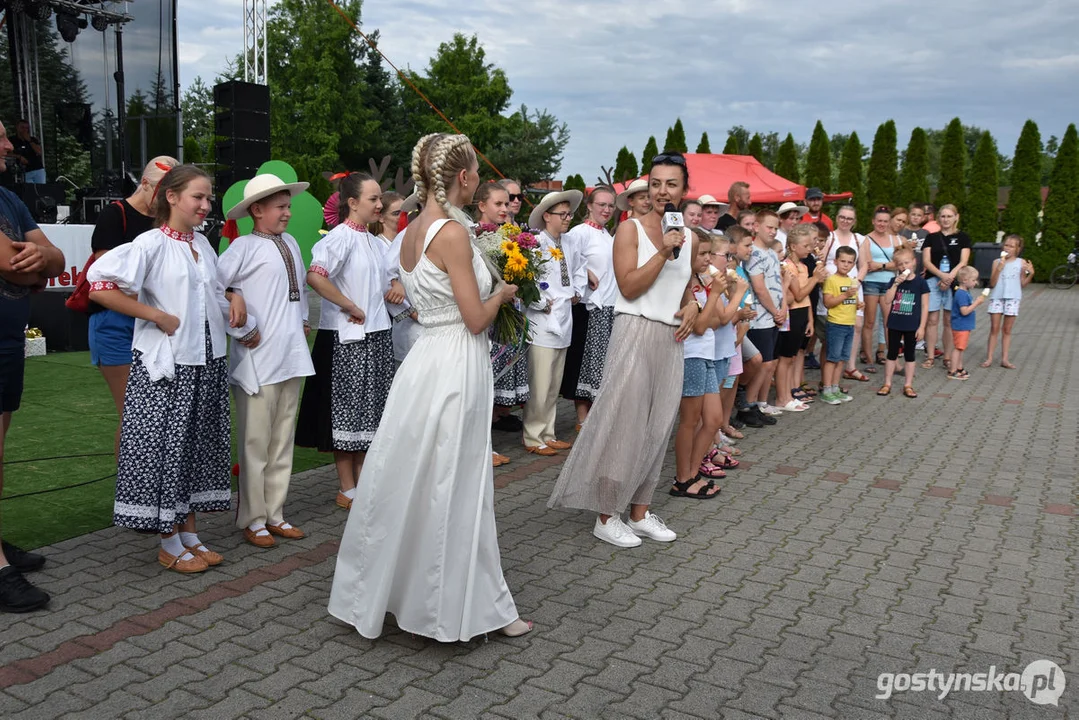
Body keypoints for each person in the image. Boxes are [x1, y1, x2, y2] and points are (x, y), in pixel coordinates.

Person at [328, 132, 531, 641]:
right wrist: (505, 292)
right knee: (457, 483)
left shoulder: (414, 228)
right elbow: (475, 318)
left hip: (424, 360)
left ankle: (405, 593)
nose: (481, 180)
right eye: (477, 174)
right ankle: (463, 607)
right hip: (457, 359)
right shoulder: (454, 234)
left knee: (417, 477)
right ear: (463, 177)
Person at [88, 165, 255, 574]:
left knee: (196, 449)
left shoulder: (202, 244)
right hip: (169, 366)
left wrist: (236, 306)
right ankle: (168, 540)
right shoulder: (149, 243)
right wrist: (155, 315)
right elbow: (99, 285)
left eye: (208, 197)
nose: (205, 204)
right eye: (198, 196)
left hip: (205, 361)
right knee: (170, 449)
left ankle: (191, 534)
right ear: (172, 197)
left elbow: (212, 293)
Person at [548, 152, 697, 548]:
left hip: (671, 339)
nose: (663, 191)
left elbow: (685, 288)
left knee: (658, 425)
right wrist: (664, 251)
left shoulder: (690, 237)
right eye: (657, 183)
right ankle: (605, 514)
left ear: (685, 189)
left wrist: (694, 305)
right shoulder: (630, 230)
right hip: (634, 330)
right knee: (624, 425)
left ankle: (640, 511)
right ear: (648, 188)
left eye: (672, 184)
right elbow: (629, 287)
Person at [219, 174, 315, 548]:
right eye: (280, 206)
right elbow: (213, 285)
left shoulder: (290, 242)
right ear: (257, 210)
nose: (287, 213)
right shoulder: (242, 247)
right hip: (258, 357)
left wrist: (303, 319)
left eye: (288, 206)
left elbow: (300, 291)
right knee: (255, 442)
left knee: (281, 440)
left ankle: (275, 513)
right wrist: (237, 308)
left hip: (291, 354)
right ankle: (253, 518)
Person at [297, 173, 396, 510]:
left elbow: (380, 285)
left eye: (380, 198)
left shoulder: (372, 240)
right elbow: (314, 276)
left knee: (370, 411)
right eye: (373, 199)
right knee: (348, 411)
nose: (380, 204)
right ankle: (346, 487)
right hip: (348, 338)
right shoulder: (339, 238)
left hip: (376, 334)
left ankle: (364, 482)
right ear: (352, 203)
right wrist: (348, 304)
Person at [0, 120, 64, 610]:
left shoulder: (10, 199)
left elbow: (56, 258)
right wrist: (36, 257)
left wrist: (41, 256)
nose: (9, 145)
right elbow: (9, 261)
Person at [88, 156, 178, 457]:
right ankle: (129, 494)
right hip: (116, 325)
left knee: (154, 414)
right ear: (145, 184)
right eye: (164, 193)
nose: (168, 201)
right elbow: (105, 280)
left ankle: (146, 490)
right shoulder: (116, 214)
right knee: (133, 415)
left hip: (153, 324)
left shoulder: (165, 221)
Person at [523, 190, 583, 456]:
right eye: (562, 214)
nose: (567, 219)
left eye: (569, 214)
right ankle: (533, 435)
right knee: (541, 381)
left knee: (553, 383)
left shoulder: (569, 242)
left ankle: (548, 432)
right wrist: (540, 302)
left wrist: (578, 291)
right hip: (543, 320)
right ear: (547, 216)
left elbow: (580, 269)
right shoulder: (536, 243)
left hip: (564, 317)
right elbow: (527, 278)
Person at [672, 229, 728, 499]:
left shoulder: (700, 280)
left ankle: (693, 472)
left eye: (709, 253)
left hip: (706, 355)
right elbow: (701, 325)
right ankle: (683, 478)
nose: (708, 259)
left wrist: (712, 297)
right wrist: (715, 294)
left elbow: (716, 322)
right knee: (690, 420)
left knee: (714, 419)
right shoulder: (685, 283)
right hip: (691, 355)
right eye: (702, 253)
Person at [473, 182, 524, 465]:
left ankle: (486, 441)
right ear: (482, 205)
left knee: (491, 382)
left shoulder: (511, 235)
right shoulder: (472, 236)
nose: (505, 209)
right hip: (483, 314)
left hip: (503, 313)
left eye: (507, 204)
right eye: (499, 204)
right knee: (481, 382)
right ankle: (480, 446)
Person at [566, 187, 617, 428]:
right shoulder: (580, 232)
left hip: (609, 306)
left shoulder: (609, 236)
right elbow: (565, 259)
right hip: (590, 306)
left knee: (601, 362)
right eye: (602, 205)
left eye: (610, 206)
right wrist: (586, 272)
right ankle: (581, 417)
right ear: (589, 205)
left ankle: (596, 413)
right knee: (586, 361)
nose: (606, 210)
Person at [777, 224, 825, 411]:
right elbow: (798, 294)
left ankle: (788, 394)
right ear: (793, 246)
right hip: (792, 314)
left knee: (792, 357)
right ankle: (783, 397)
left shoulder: (803, 266)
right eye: (805, 245)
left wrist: (811, 319)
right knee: (786, 357)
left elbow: (806, 298)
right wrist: (815, 278)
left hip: (802, 313)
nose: (810, 248)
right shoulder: (788, 267)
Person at [744, 209, 786, 418]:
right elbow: (759, 288)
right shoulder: (754, 253)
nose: (773, 232)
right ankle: (748, 404)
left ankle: (757, 403)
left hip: (774, 316)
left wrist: (782, 308)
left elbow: (778, 282)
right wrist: (775, 311)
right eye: (769, 227)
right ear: (756, 227)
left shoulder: (771, 252)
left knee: (770, 363)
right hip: (760, 317)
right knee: (764, 362)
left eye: (776, 228)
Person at [921, 204, 970, 370]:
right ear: (938, 218)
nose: (946, 219)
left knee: (949, 320)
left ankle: (948, 357)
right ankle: (930, 356)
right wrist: (941, 276)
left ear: (956, 217)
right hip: (932, 281)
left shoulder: (963, 237)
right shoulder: (931, 237)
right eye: (942, 216)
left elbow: (963, 261)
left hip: (954, 282)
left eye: (949, 216)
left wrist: (949, 277)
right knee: (932, 320)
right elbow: (926, 261)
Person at [877, 248, 929, 398]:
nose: (903, 266)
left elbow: (925, 306)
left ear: (914, 262)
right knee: (892, 353)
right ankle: (887, 383)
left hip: (912, 325)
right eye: (900, 264)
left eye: (906, 263)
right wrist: (895, 285)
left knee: (910, 355)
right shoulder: (894, 281)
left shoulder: (921, 283)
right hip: (895, 323)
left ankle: (908, 384)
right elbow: (887, 300)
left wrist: (922, 327)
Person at [982, 233, 1035, 369]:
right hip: (997, 297)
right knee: (994, 328)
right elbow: (992, 283)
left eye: (1012, 246)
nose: (1008, 248)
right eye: (1006, 245)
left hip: (1013, 298)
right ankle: (989, 358)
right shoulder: (996, 262)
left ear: (1018, 249)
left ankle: (1005, 359)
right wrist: (999, 268)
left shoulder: (1021, 263)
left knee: (1007, 329)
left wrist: (1031, 274)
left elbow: (1023, 283)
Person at [820, 246, 861, 404]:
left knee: (842, 359)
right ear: (835, 261)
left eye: (850, 262)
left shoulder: (851, 280)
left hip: (849, 323)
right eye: (842, 261)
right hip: (836, 324)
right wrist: (845, 295)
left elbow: (852, 300)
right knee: (832, 358)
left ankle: (835, 388)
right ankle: (827, 389)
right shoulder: (832, 279)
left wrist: (858, 303)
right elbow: (828, 302)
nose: (846, 265)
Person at [862, 206, 902, 367]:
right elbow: (869, 264)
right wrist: (889, 264)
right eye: (879, 221)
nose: (882, 224)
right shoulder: (866, 239)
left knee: (888, 323)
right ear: (873, 221)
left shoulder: (894, 240)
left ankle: (892, 357)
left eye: (885, 221)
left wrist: (882, 265)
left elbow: (899, 263)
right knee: (869, 322)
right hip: (870, 283)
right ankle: (868, 358)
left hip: (889, 283)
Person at [947, 266, 984, 381]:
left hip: (963, 325)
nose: (975, 282)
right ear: (964, 280)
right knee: (958, 348)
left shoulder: (964, 292)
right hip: (960, 325)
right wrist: (977, 303)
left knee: (961, 347)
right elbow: (964, 311)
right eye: (973, 280)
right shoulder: (961, 294)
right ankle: (953, 370)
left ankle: (959, 367)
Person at [11, 120, 44, 184]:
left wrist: (29, 141)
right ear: (17, 127)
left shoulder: (33, 139)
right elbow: (6, 154)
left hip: (37, 169)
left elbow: (39, 152)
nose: (25, 130)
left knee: (41, 190)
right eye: (22, 127)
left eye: (26, 128)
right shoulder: (12, 140)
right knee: (29, 191)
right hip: (25, 171)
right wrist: (19, 157)